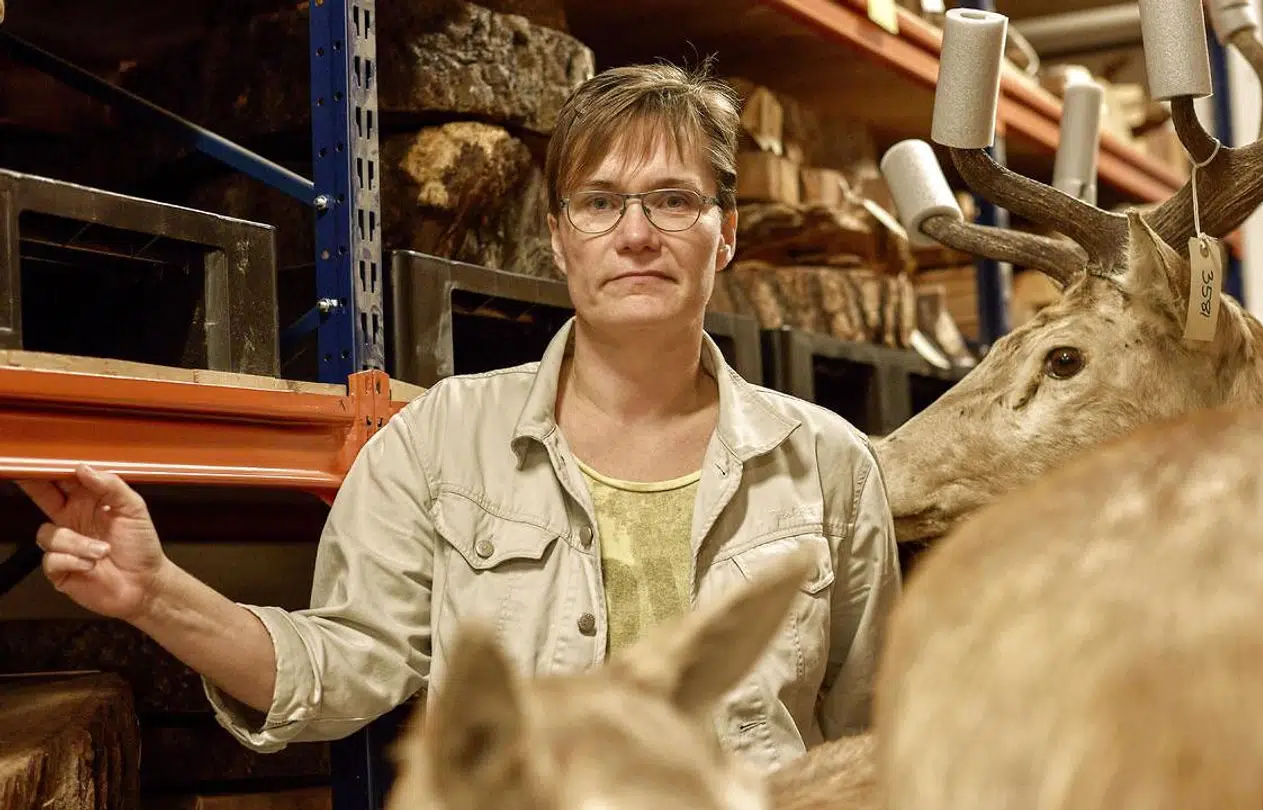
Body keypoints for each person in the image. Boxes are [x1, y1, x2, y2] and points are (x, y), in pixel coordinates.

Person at [18, 61, 901, 773]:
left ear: (726, 232)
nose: (636, 234)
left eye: (673, 200)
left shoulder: (826, 463)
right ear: (558, 237)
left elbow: (874, 740)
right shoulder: (444, 439)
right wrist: (157, 593)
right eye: (599, 202)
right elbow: (339, 668)